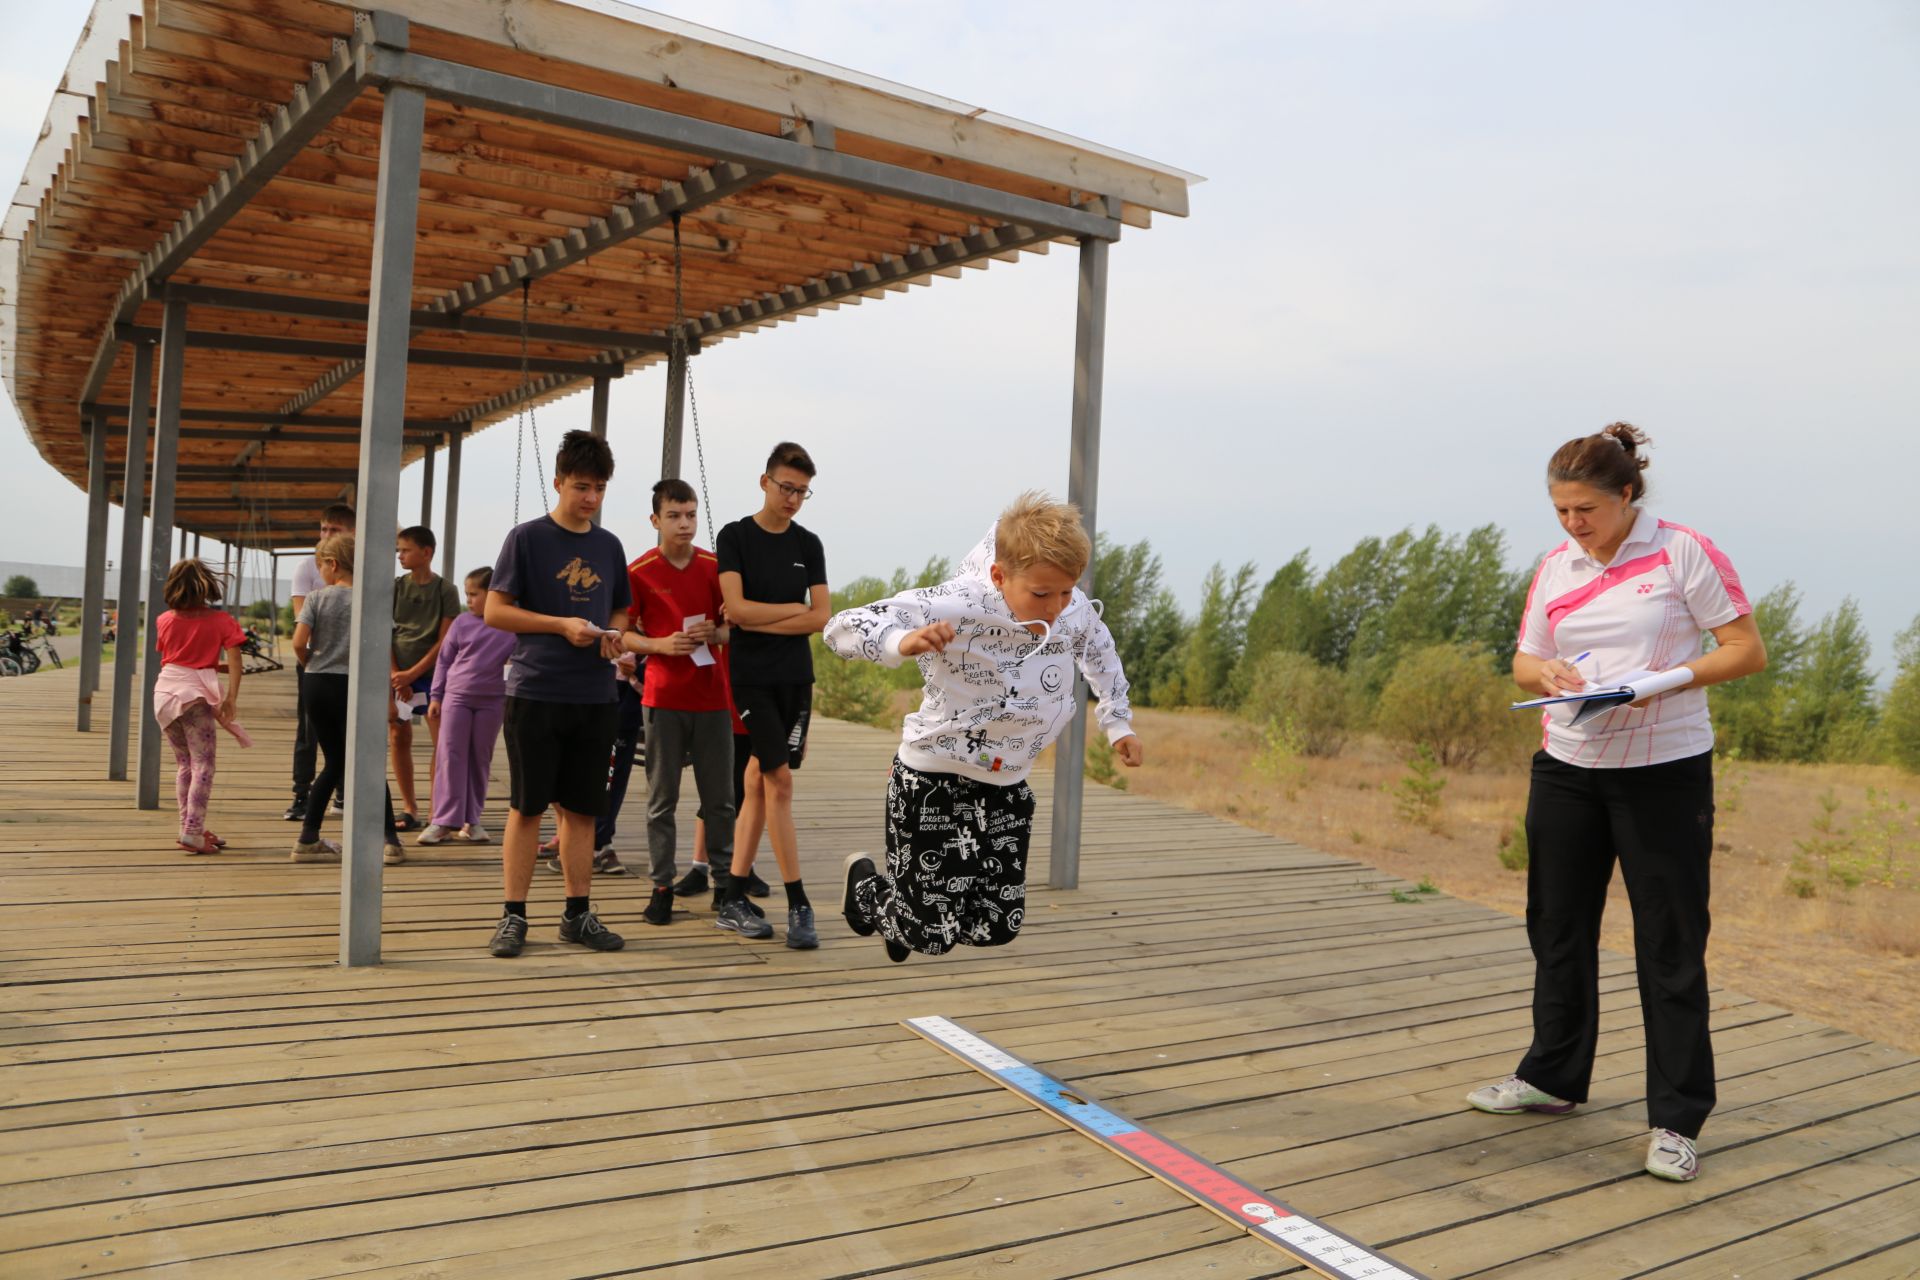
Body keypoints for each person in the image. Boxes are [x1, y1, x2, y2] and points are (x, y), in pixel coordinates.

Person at [1465, 423, 1767, 1184]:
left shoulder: (1682, 552)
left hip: (1663, 772)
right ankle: (1553, 1078)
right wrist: (1550, 677)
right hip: (1566, 766)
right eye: (1562, 511)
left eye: (1587, 510)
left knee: (1669, 945)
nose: (1574, 524)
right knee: (1558, 928)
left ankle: (1676, 1119)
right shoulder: (1554, 565)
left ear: (1627, 494)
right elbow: (1525, 657)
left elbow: (1744, 650)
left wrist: (1659, 684)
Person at [824, 492, 1143, 962]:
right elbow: (841, 627)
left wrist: (1118, 723)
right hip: (933, 779)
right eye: (1040, 593)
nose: (1055, 606)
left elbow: (1101, 654)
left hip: (1005, 785)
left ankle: (908, 912)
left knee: (996, 926)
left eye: (1066, 591)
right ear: (999, 575)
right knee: (931, 935)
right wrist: (901, 639)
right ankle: (870, 891)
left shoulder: (1071, 613)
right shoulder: (955, 604)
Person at [483, 430, 632, 958]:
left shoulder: (609, 545)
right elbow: (495, 611)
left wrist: (612, 634)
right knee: (526, 808)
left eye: (599, 487)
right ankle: (513, 916)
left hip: (595, 697)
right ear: (559, 483)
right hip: (536, 691)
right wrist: (560, 625)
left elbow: (620, 609)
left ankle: (577, 913)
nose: (590, 497)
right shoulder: (526, 538)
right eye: (581, 485)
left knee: (583, 810)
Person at [712, 442, 831, 948]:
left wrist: (762, 617)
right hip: (752, 678)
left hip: (796, 681)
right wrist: (790, 613)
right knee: (778, 780)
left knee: (758, 779)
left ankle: (733, 896)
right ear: (765, 482)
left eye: (803, 492)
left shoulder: (809, 544)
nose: (794, 500)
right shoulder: (735, 536)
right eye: (787, 488)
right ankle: (798, 902)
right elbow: (734, 611)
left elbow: (821, 617)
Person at [620, 478, 738, 926]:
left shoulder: (716, 566)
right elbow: (624, 634)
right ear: (655, 520)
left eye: (690, 514)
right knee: (660, 799)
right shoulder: (640, 571)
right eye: (673, 515)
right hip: (663, 698)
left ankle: (726, 886)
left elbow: (736, 627)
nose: (684, 523)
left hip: (712, 698)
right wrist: (658, 645)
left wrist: (719, 633)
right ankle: (662, 886)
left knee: (720, 800)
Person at [288, 533, 405, 866]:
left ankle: (308, 838)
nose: (320, 571)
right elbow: (382, 650)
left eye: (321, 564)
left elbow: (299, 642)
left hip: (318, 684)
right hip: (357, 685)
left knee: (334, 761)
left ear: (332, 564)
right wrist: (389, 699)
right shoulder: (372, 601)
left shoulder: (316, 599)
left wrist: (311, 663)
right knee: (366, 761)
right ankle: (390, 840)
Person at [150, 559, 249, 855]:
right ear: (207, 585)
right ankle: (192, 832)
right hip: (193, 699)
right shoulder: (222, 621)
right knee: (203, 765)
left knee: (184, 765)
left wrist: (207, 664)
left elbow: (175, 658)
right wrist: (231, 697)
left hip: (164, 695)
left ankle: (189, 827)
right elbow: (235, 661)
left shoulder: (164, 619)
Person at [418, 567, 517, 846]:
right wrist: (436, 696)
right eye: (467, 594)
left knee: (479, 759)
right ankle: (442, 821)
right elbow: (445, 660)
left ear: (494, 594)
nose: (469, 600)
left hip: (494, 701)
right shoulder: (462, 623)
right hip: (457, 697)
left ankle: (472, 821)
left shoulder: (513, 625)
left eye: (475, 594)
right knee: (450, 756)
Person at [390, 525, 462, 830]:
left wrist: (412, 674)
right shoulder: (394, 586)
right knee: (398, 736)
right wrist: (396, 674)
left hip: (432, 676)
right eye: (399, 550)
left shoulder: (446, 590)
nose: (400, 556)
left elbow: (445, 641)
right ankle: (409, 808)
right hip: (397, 675)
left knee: (441, 741)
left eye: (405, 550)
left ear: (426, 552)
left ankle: (437, 809)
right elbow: (384, 631)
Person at [286, 504, 354, 822]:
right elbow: (301, 617)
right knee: (309, 730)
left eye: (334, 530)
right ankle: (302, 792)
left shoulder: (355, 567)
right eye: (324, 528)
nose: (326, 535)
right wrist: (310, 659)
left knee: (346, 729)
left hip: (337, 663)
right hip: (319, 660)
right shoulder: (307, 567)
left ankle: (343, 790)